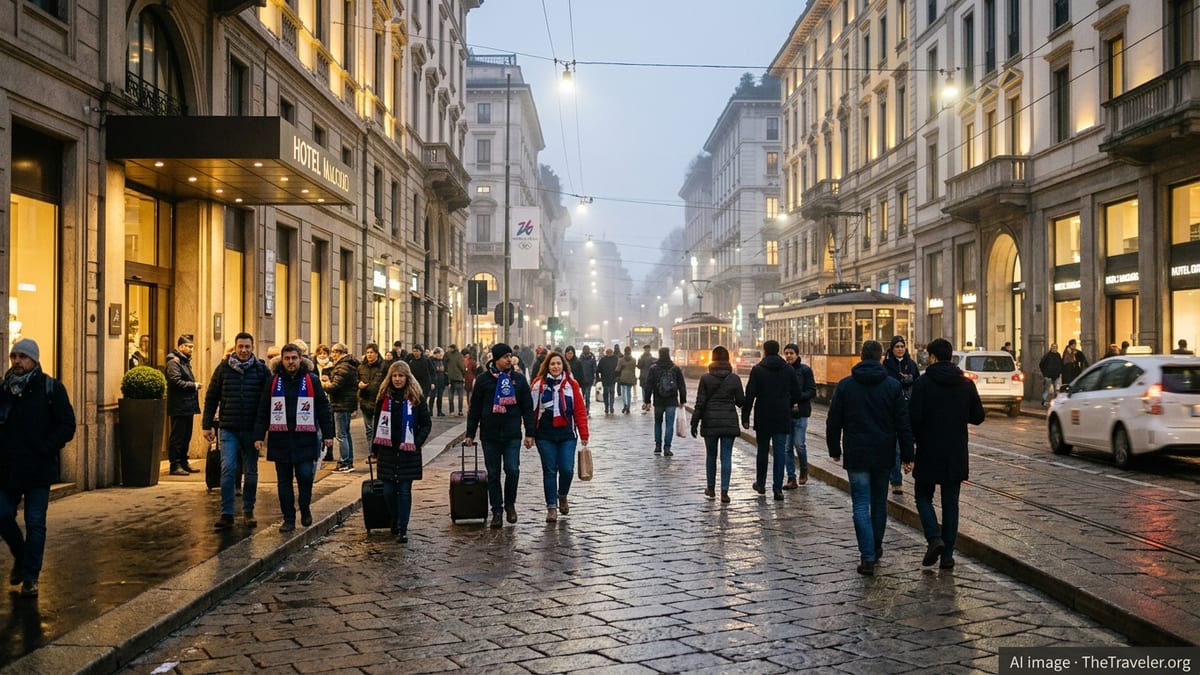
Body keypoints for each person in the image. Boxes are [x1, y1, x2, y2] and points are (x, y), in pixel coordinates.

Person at [826, 340, 914, 576]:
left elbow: (834, 420)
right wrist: (908, 455)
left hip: (856, 452)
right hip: (883, 453)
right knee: (879, 503)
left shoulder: (846, 385)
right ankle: (875, 547)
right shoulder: (893, 386)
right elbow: (903, 423)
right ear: (881, 357)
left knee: (860, 503)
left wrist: (834, 448)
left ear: (861, 356)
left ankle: (867, 558)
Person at [0, 338, 76, 598]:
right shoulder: (4, 389)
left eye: (22, 357)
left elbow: (67, 424)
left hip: (38, 468)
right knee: (2, 514)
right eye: (14, 356)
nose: (17, 361)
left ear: (34, 359)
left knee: (35, 523)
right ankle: (21, 556)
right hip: (8, 468)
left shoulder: (50, 387)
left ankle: (30, 577)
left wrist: (46, 447)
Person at [908, 338, 985, 570]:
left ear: (932, 357)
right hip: (955, 451)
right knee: (951, 503)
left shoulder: (922, 383)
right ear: (950, 357)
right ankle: (948, 556)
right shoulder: (965, 384)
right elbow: (978, 417)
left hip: (929, 450)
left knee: (923, 496)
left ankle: (934, 538)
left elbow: (913, 419)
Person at [253, 343, 334, 533]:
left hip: (304, 438)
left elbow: (323, 407)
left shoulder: (311, 380)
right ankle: (288, 518)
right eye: (287, 358)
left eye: (294, 358)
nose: (290, 362)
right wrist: (259, 435)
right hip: (280, 439)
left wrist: (328, 434)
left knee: (305, 476)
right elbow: (264, 409)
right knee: (284, 481)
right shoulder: (273, 381)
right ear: (281, 360)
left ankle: (304, 508)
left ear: (300, 359)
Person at [203, 332, 270, 530]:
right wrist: (207, 424)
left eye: (247, 347)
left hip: (251, 430)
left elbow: (267, 402)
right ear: (235, 347)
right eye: (240, 346)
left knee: (251, 471)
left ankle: (248, 511)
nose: (243, 350)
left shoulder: (261, 370)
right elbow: (211, 397)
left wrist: (262, 431)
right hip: (228, 428)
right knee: (228, 469)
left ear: (252, 348)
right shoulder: (223, 369)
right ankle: (227, 514)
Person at [465, 343, 536, 529]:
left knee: (512, 470)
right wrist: (470, 433)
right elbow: (475, 408)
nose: (509, 359)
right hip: (490, 435)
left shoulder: (518, 380)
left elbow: (527, 407)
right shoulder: (483, 380)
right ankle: (497, 510)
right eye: (505, 357)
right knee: (493, 474)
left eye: (510, 356)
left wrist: (530, 432)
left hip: (512, 434)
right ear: (496, 359)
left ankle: (510, 504)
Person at [370, 359, 432, 542]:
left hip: (408, 452)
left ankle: (402, 528)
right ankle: (395, 519)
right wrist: (374, 449)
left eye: (401, 376)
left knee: (404, 491)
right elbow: (377, 423)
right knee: (388, 491)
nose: (397, 379)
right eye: (394, 376)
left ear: (407, 377)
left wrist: (416, 442)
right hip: (387, 451)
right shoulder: (383, 398)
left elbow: (426, 424)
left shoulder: (416, 398)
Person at [530, 351, 589, 522]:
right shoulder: (538, 385)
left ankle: (562, 495)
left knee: (566, 469)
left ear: (563, 366)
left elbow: (579, 410)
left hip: (567, 434)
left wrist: (584, 433)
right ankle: (551, 507)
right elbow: (531, 410)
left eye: (558, 364)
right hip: (545, 434)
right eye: (552, 364)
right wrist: (530, 433)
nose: (555, 367)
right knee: (549, 470)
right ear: (547, 366)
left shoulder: (572, 385)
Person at [741, 340, 802, 501]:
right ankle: (777, 489)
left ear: (765, 351)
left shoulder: (758, 369)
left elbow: (750, 395)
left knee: (762, 451)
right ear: (778, 351)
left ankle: (761, 484)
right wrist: (787, 403)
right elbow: (797, 394)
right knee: (779, 453)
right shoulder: (788, 369)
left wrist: (745, 417)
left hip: (763, 416)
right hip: (782, 416)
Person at [690, 345, 744, 504]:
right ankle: (725, 491)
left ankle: (711, 488)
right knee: (726, 457)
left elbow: (700, 403)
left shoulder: (705, 378)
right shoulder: (734, 379)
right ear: (728, 359)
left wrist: (694, 422)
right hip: (728, 421)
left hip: (710, 421)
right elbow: (740, 402)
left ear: (713, 359)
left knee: (711, 456)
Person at [882, 336, 919, 495]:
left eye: (902, 346)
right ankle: (896, 480)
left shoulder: (911, 364)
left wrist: (909, 380)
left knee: (908, 441)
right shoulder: (886, 365)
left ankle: (908, 463)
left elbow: (917, 383)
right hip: (893, 409)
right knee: (895, 447)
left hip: (909, 408)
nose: (900, 349)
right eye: (897, 346)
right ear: (892, 349)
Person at [165, 334, 202, 476]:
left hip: (187, 405)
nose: (191, 349)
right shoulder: (174, 362)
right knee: (178, 437)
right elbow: (175, 381)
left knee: (186, 436)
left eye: (192, 347)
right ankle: (175, 464)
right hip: (179, 406)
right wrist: (194, 385)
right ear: (180, 347)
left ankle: (183, 462)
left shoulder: (184, 361)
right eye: (188, 347)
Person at [782, 343, 817, 488]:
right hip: (786, 413)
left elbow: (812, 390)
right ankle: (791, 477)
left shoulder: (805, 370)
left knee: (799, 444)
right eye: (786, 353)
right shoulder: (782, 370)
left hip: (801, 412)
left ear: (797, 354)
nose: (789, 356)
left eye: (791, 353)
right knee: (787, 448)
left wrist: (798, 397)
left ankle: (803, 469)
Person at [322, 343, 360, 473]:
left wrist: (324, 384)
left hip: (341, 404)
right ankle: (348, 461)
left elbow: (335, 386)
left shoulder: (343, 366)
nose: (332, 355)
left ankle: (345, 462)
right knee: (345, 433)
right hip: (345, 403)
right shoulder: (348, 365)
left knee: (341, 434)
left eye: (334, 352)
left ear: (340, 353)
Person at [645, 347, 686, 456]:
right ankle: (667, 448)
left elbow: (648, 385)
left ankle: (658, 445)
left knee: (658, 423)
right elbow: (681, 385)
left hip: (658, 400)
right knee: (669, 424)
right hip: (671, 400)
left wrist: (647, 400)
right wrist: (682, 399)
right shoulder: (675, 368)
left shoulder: (653, 368)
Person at [357, 343, 387, 444]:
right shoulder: (361, 367)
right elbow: (356, 379)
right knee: (369, 430)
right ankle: (371, 451)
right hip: (365, 402)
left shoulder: (383, 366)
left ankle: (377, 450)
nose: (369, 355)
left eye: (371, 352)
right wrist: (359, 384)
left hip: (379, 402)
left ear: (376, 354)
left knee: (378, 430)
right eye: (367, 352)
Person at [443, 344, 466, 416]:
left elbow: (444, 363)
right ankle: (460, 411)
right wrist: (463, 374)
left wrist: (447, 371)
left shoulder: (447, 355)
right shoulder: (459, 355)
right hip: (458, 378)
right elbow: (462, 366)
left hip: (450, 378)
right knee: (460, 396)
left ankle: (451, 411)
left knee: (451, 396)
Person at [596, 347, 619, 415]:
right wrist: (617, 376)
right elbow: (618, 369)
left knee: (607, 394)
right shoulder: (615, 359)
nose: (609, 354)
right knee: (611, 393)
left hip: (606, 379)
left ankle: (608, 407)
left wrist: (598, 378)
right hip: (611, 379)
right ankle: (610, 407)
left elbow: (598, 370)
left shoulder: (603, 359)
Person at [616, 346, 638, 415]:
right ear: (630, 352)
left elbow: (618, 369)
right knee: (628, 392)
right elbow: (634, 369)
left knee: (623, 392)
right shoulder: (634, 360)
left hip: (623, 377)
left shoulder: (621, 360)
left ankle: (625, 404)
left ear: (624, 352)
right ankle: (628, 406)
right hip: (631, 377)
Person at [577, 345, 598, 415]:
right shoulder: (580, 359)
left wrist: (595, 377)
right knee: (583, 395)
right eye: (585, 349)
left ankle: (587, 409)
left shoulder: (592, 359)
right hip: (582, 381)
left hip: (589, 380)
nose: (586, 351)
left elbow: (595, 369)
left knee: (587, 395)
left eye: (587, 349)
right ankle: (583, 408)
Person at [637, 345, 655, 414]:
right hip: (651, 376)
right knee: (649, 390)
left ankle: (645, 403)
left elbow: (639, 366)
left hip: (643, 376)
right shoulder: (652, 358)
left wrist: (639, 361)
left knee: (644, 390)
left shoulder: (641, 357)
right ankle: (648, 404)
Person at [429, 347, 447, 416]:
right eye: (436, 353)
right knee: (432, 397)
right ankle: (430, 411)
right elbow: (431, 372)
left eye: (439, 353)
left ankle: (439, 411)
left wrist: (446, 381)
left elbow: (444, 371)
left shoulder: (442, 361)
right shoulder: (431, 361)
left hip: (441, 382)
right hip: (434, 382)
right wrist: (431, 382)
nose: (438, 355)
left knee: (440, 397)